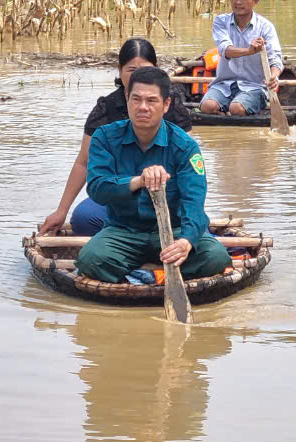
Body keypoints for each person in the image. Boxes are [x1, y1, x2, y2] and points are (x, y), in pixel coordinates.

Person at [76, 67, 231, 284]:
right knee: (90, 260)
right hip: (123, 231)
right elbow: (97, 188)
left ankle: (147, 276)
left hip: (174, 231)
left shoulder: (185, 147)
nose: (143, 107)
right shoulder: (105, 137)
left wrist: (186, 241)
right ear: (127, 100)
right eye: (136, 99)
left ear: (166, 105)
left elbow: (194, 202)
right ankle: (156, 275)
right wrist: (137, 181)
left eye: (151, 101)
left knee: (216, 258)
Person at [41, 38, 192, 237]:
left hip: (165, 193)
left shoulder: (171, 107)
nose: (138, 76)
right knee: (83, 219)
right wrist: (62, 211)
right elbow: (84, 163)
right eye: (131, 70)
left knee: (193, 225)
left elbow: (189, 165)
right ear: (120, 71)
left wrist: (191, 209)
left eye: (144, 69)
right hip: (120, 193)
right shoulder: (105, 110)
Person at [199, 0, 284, 117]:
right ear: (230, 0)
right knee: (207, 107)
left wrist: (273, 77)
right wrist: (249, 51)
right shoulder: (221, 21)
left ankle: (235, 109)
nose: (238, 2)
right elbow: (225, 49)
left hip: (254, 86)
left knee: (237, 109)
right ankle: (224, 112)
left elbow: (275, 58)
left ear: (255, 1)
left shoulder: (265, 27)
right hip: (224, 84)